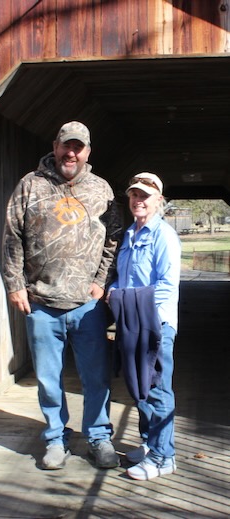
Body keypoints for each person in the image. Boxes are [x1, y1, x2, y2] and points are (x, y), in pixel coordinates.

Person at [3, 121, 122, 470]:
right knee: (48, 377)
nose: (71, 153)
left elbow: (114, 238)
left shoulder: (102, 189)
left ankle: (99, 437)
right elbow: (12, 236)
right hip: (41, 302)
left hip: (87, 305)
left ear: (87, 152)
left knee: (96, 376)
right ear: (55, 146)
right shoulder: (30, 184)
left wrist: (101, 280)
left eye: (78, 147)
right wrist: (14, 284)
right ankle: (56, 438)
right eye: (66, 145)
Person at [108, 172, 181, 481]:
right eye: (134, 195)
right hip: (130, 323)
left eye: (145, 196)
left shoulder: (164, 236)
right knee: (140, 388)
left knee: (158, 389)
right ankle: (151, 446)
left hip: (155, 324)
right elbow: (121, 277)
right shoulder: (128, 235)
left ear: (158, 201)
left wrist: (124, 300)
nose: (139, 200)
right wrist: (112, 290)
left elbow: (166, 286)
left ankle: (164, 457)